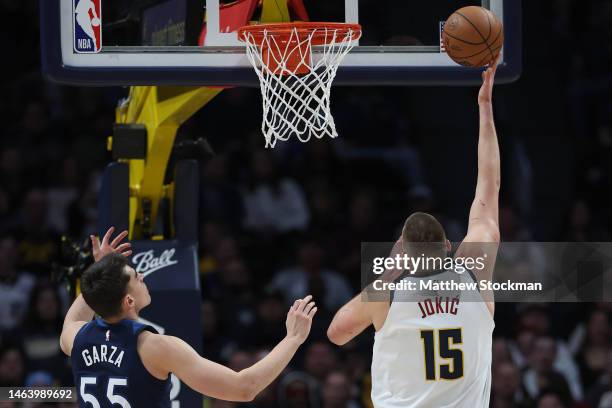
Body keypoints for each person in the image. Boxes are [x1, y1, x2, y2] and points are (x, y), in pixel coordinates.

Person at [326, 61, 502, 407]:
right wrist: (485, 107)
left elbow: (336, 333)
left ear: (402, 251)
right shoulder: (474, 272)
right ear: (449, 245)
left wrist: (390, 269)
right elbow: (489, 184)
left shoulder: (387, 294)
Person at [60, 227, 317, 407]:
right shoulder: (154, 347)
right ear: (128, 301)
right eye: (137, 277)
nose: (143, 277)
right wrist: (293, 338)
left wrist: (100, 272)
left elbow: (74, 318)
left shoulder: (79, 338)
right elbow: (244, 388)